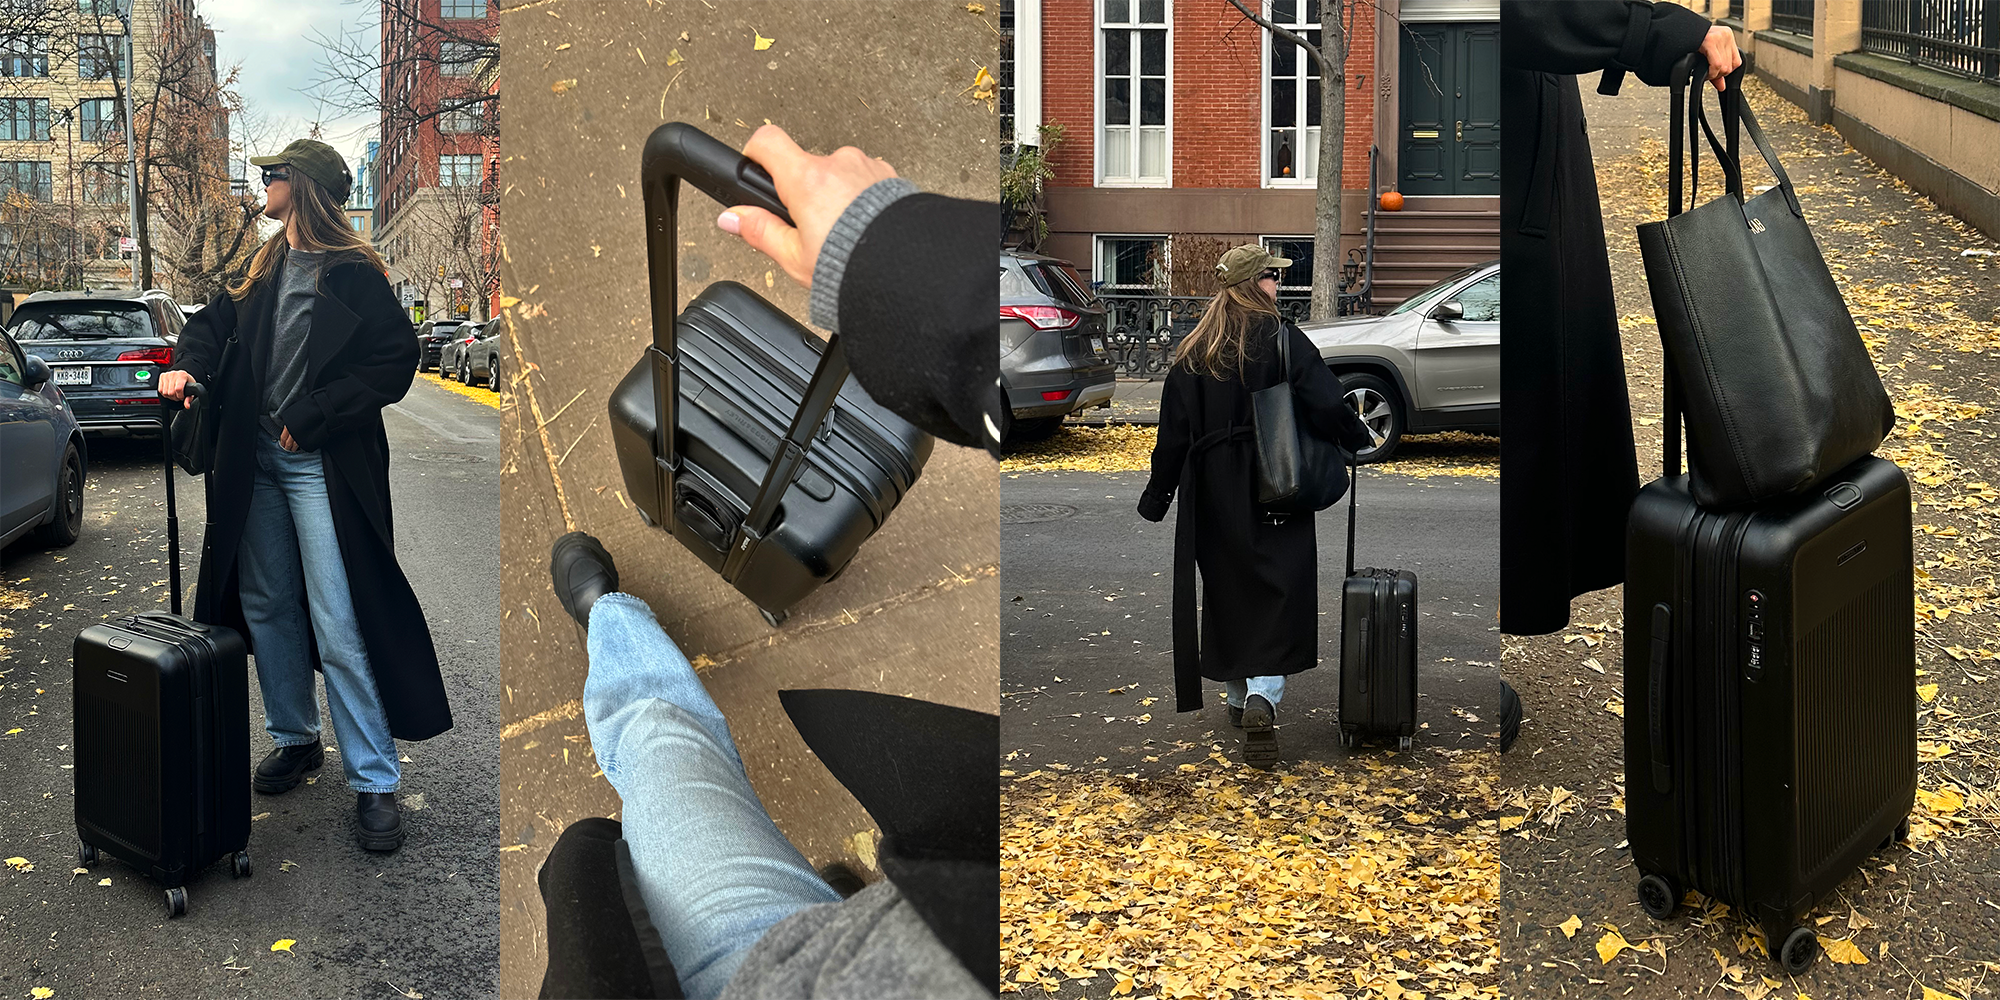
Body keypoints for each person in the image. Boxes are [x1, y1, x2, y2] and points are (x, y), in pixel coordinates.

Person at [534, 124, 997, 998]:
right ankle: (624, 612)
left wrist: (893, 255)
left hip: (783, 973)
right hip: (906, 948)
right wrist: (890, 260)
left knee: (661, 741)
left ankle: (612, 616)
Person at [160, 138, 451, 852]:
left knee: (338, 613)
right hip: (251, 463)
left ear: (307, 188)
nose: (264, 183)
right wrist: (184, 370)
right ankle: (297, 737)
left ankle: (376, 780)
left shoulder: (354, 272)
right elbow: (207, 327)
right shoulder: (264, 266)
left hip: (319, 464)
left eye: (274, 175)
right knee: (266, 604)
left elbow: (396, 358)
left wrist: (314, 415)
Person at [1498, 1, 1742, 637]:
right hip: (1515, 180)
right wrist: (1660, 32)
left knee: (1553, 398)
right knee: (1529, 408)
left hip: (1538, 169)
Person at [1136, 245, 1376, 768]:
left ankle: (1240, 697)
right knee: (1280, 587)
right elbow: (1327, 402)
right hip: (1276, 481)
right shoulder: (1283, 339)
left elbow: (1172, 436)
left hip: (1211, 491)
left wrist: (1157, 497)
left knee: (1229, 589)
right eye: (1272, 277)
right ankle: (1263, 696)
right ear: (1253, 285)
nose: (1278, 286)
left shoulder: (1193, 352)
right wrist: (1358, 438)